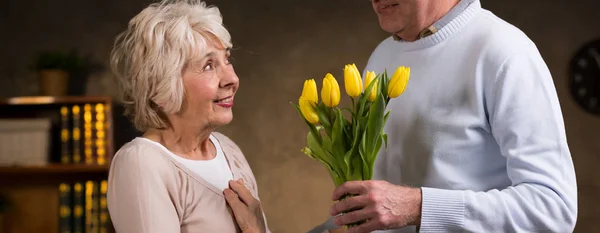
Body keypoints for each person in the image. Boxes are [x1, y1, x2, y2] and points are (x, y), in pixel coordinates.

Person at [317, 0, 578, 232]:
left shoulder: (506, 52)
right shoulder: (382, 56)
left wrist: (418, 206)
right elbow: (376, 207)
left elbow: (553, 208)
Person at [106, 0, 269, 232]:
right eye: (208, 65)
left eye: (227, 59)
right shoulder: (142, 163)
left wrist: (331, 227)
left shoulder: (229, 151)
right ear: (161, 87)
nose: (232, 78)